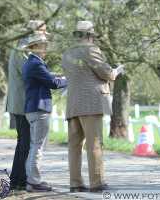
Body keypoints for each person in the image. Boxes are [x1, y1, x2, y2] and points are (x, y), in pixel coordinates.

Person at [62, 21, 124, 193]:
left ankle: (75, 183)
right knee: (94, 144)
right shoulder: (91, 50)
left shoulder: (67, 53)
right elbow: (106, 73)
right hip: (91, 103)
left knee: (74, 146)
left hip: (73, 103)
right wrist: (117, 71)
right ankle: (97, 182)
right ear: (90, 35)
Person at [22, 33, 67, 192]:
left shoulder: (31, 62)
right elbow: (53, 83)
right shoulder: (36, 63)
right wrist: (67, 79)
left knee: (35, 145)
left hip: (32, 108)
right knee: (38, 146)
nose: (45, 49)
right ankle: (34, 181)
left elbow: (47, 78)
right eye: (43, 46)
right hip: (39, 108)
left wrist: (57, 77)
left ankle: (31, 180)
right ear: (34, 47)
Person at [7, 20, 48, 191]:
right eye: (43, 31)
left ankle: (17, 179)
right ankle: (20, 180)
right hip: (23, 103)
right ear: (35, 32)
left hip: (19, 102)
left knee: (23, 142)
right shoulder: (25, 51)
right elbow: (32, 73)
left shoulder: (20, 47)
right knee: (25, 143)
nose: (45, 35)